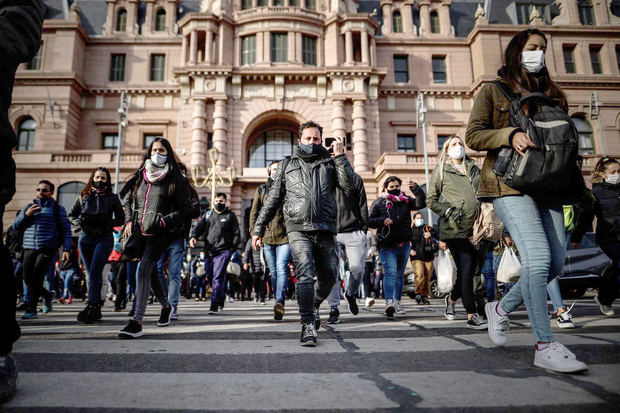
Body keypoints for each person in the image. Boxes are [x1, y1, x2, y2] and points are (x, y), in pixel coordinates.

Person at [466, 29, 588, 373]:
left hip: (551, 185)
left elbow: (567, 146)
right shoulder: (493, 90)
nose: (539, 54)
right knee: (536, 259)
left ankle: (501, 309)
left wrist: (581, 194)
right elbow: (473, 135)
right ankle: (545, 344)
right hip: (509, 184)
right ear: (517, 51)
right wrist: (509, 134)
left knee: (554, 265)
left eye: (543, 49)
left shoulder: (553, 94)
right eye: (533, 48)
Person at [252, 121, 355, 346]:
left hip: (325, 228)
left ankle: (314, 305)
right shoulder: (287, 165)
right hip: (297, 228)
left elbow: (349, 186)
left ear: (321, 140)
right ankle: (307, 322)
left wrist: (340, 157)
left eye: (316, 139)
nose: (312, 142)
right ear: (299, 141)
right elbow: (273, 201)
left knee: (329, 277)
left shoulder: (330, 162)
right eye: (307, 138)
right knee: (305, 274)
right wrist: (258, 229)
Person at [118, 138, 193, 338]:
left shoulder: (175, 179)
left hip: (160, 233)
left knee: (143, 269)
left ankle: (137, 321)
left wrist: (164, 221)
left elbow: (185, 210)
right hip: (138, 231)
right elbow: (127, 201)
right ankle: (166, 306)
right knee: (151, 274)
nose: (157, 153)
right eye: (154, 150)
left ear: (168, 153)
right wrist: (128, 221)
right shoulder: (141, 176)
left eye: (161, 150)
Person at [427, 136, 486, 329]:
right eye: (453, 144)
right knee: (467, 271)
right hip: (454, 229)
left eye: (460, 143)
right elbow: (431, 199)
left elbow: (483, 193)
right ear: (446, 150)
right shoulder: (442, 170)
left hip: (476, 229)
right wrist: (448, 210)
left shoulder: (474, 168)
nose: (458, 147)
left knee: (468, 272)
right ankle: (471, 315)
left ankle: (451, 299)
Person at [68, 167, 124, 323]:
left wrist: (107, 224)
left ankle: (93, 305)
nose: (100, 180)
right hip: (85, 238)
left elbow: (121, 218)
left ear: (108, 181)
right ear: (93, 178)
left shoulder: (113, 198)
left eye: (103, 178)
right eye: (98, 177)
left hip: (104, 238)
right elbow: (71, 214)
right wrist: (79, 222)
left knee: (95, 272)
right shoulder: (83, 196)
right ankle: (95, 307)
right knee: (90, 273)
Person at [12, 180, 72, 319]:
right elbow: (15, 227)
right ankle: (47, 294)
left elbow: (66, 230)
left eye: (44, 190)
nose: (40, 192)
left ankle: (31, 309)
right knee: (27, 278)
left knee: (37, 277)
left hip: (47, 248)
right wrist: (26, 214)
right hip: (28, 247)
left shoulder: (58, 209)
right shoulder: (28, 207)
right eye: (38, 189)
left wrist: (66, 249)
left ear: (51, 193)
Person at [368, 176, 426, 318]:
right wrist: (382, 220)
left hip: (404, 244)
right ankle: (389, 302)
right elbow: (368, 221)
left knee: (399, 274)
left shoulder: (406, 201)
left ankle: (397, 302)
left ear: (400, 187)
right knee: (391, 273)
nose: (394, 189)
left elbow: (420, 203)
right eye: (392, 187)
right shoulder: (379, 202)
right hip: (386, 245)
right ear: (385, 187)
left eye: (397, 186)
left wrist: (415, 188)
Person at [572, 156, 619, 316]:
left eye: (619, 171)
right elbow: (587, 217)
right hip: (609, 236)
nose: (617, 174)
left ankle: (605, 297)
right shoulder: (596, 192)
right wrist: (577, 237)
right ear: (603, 174)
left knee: (616, 269)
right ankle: (604, 299)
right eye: (614, 171)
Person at [156, 162, 200, 320]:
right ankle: (164, 302)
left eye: (181, 172)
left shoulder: (189, 190)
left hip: (178, 237)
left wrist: (181, 213)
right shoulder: (161, 187)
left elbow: (196, 210)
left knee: (174, 273)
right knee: (157, 269)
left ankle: (172, 306)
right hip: (160, 236)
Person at [325, 170, 369, 323]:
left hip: (354, 230)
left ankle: (351, 294)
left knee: (357, 268)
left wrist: (364, 229)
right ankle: (334, 308)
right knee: (332, 271)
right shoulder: (324, 174)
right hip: (330, 231)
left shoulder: (355, 177)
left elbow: (362, 203)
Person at [250, 161, 290, 320]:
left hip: (285, 237)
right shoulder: (261, 190)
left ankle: (280, 301)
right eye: (274, 169)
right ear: (269, 172)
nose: (276, 171)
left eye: (279, 169)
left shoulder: (288, 189)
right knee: (273, 272)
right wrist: (254, 233)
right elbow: (254, 213)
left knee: (281, 269)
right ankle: (277, 299)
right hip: (266, 237)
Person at [189, 192, 241, 314]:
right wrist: (194, 237)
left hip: (223, 252)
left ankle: (214, 305)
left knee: (217, 277)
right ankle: (220, 297)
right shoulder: (208, 215)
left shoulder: (230, 216)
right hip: (209, 252)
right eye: (216, 201)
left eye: (221, 201)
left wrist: (231, 249)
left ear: (226, 202)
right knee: (210, 277)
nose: (218, 203)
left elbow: (237, 234)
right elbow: (198, 228)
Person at [410, 212, 439, 305]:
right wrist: (409, 250)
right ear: (414, 220)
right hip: (416, 257)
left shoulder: (427, 229)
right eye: (418, 218)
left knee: (427, 278)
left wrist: (430, 234)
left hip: (429, 256)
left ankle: (424, 296)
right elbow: (406, 242)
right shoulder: (411, 231)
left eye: (421, 218)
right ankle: (418, 293)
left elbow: (437, 235)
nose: (420, 219)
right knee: (420, 275)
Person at [243, 238, 266, 304]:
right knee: (256, 282)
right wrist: (245, 262)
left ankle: (262, 298)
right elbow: (247, 252)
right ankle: (256, 293)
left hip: (264, 264)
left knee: (263, 281)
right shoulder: (250, 240)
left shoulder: (265, 239)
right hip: (254, 265)